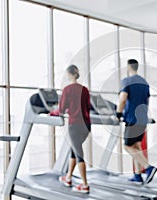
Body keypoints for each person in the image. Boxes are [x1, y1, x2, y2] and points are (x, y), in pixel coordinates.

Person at [116, 59, 157, 184]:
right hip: (142, 118)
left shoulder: (127, 81)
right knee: (136, 146)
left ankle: (149, 168)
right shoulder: (144, 82)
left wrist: (118, 113)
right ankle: (137, 175)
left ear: (129, 67)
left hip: (131, 119)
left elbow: (123, 99)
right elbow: (147, 100)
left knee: (128, 147)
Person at [58, 65, 91, 193]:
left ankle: (85, 184)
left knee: (79, 154)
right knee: (74, 149)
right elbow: (88, 106)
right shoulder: (85, 89)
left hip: (75, 125)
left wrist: (54, 112)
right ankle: (68, 177)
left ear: (69, 74)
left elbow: (61, 109)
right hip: (86, 125)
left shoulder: (67, 89)